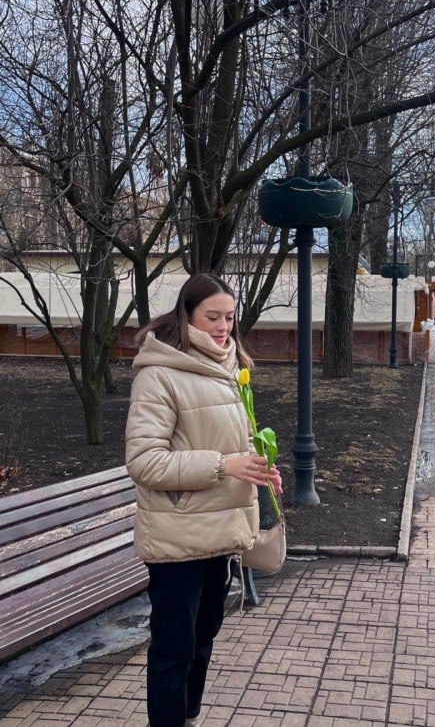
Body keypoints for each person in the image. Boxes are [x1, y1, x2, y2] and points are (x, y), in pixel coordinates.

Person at [125, 273, 282, 727]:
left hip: (221, 530)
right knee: (173, 648)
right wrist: (224, 465)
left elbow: (235, 441)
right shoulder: (159, 373)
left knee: (204, 634)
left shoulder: (231, 367)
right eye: (212, 317)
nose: (223, 327)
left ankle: (188, 716)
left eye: (229, 317)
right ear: (187, 315)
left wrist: (258, 466)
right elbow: (144, 462)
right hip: (178, 534)